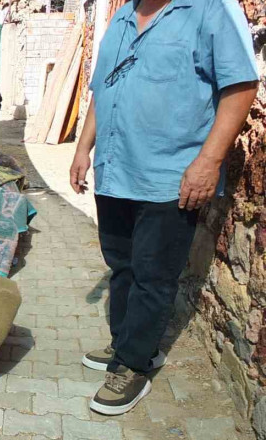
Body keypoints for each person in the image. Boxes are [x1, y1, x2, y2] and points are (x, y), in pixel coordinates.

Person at [69, 0, 258, 416]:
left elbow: (241, 85)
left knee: (154, 274)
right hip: (116, 171)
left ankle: (133, 366)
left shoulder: (211, 10)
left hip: (168, 178)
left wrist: (208, 162)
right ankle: (127, 344)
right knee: (122, 265)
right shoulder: (120, 17)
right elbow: (104, 90)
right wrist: (83, 149)